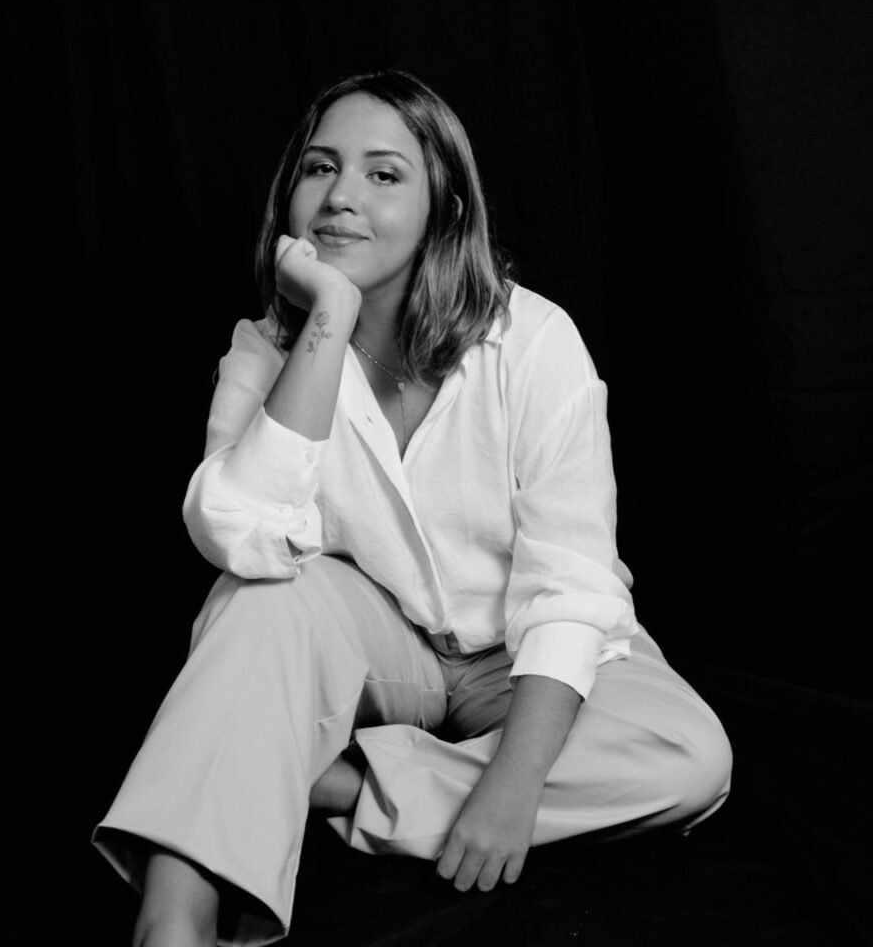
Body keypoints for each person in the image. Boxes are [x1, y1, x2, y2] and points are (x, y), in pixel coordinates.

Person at [93, 68, 733, 947]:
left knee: (691, 759)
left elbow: (571, 588)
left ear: (446, 208)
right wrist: (329, 316)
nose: (340, 196)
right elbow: (239, 536)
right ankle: (172, 922)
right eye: (320, 167)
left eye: (384, 174)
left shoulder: (534, 341)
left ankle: (332, 784)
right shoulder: (265, 352)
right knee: (256, 598)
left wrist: (512, 786)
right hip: (387, 647)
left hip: (523, 656)